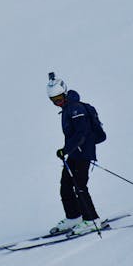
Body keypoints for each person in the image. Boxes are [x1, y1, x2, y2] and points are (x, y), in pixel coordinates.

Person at [46, 73, 102, 235]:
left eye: (59, 99)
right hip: (74, 153)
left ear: (64, 93)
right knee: (65, 186)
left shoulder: (76, 108)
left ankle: (92, 220)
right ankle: (74, 217)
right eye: (54, 101)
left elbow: (81, 134)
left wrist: (66, 149)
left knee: (80, 187)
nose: (58, 103)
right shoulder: (67, 108)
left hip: (83, 152)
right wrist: (67, 150)